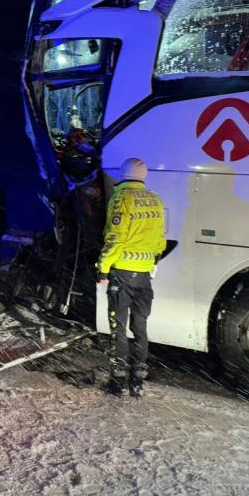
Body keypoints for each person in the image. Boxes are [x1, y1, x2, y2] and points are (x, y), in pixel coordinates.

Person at [96, 158, 165, 398]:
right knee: (140, 326)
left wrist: (103, 268)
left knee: (119, 327)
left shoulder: (121, 199)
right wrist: (152, 260)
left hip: (122, 272)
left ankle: (118, 381)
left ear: (123, 174)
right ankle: (137, 380)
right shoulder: (155, 199)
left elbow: (115, 238)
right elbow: (160, 240)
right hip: (144, 274)